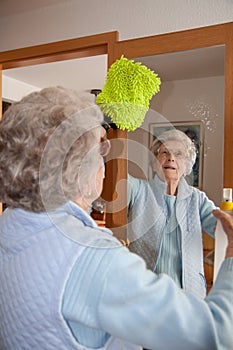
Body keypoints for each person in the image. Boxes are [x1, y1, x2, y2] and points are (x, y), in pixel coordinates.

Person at [0, 87, 233, 350]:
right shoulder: (94, 256)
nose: (104, 164)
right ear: (78, 165)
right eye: (101, 151)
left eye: (177, 154)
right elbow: (216, 335)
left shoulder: (9, 223)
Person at [127, 129, 217, 299]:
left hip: (190, 296)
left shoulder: (197, 199)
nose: (171, 158)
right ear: (154, 163)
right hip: (146, 293)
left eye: (179, 154)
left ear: (187, 166)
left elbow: (220, 225)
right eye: (164, 153)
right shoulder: (139, 189)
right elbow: (116, 180)